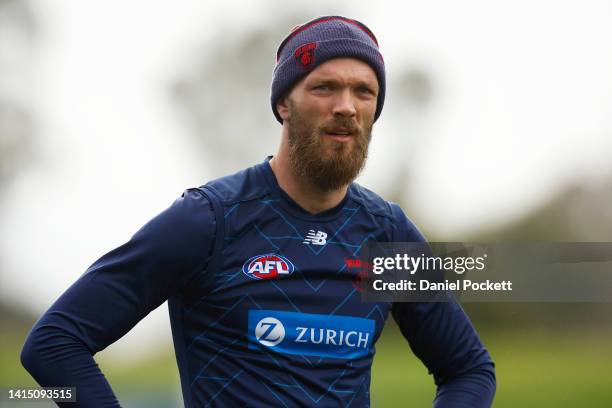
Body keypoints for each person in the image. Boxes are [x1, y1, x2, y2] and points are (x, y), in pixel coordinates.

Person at [21, 15, 495, 407]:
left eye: (364, 92)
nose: (346, 106)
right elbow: (54, 344)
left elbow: (469, 370)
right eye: (324, 87)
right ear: (284, 104)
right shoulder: (208, 220)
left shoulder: (389, 232)